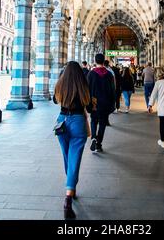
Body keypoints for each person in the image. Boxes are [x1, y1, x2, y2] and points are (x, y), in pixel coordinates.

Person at [53, 61, 90, 219]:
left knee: (67, 157)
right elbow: (87, 104)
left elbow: (55, 100)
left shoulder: (61, 83)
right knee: (74, 158)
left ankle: (71, 186)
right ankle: (68, 196)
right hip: (77, 121)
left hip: (61, 121)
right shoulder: (82, 84)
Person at [87, 53, 115, 153]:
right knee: (102, 123)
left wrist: (88, 103)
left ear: (95, 61)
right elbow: (112, 90)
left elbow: (87, 89)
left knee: (94, 120)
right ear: (104, 61)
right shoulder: (109, 74)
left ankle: (93, 137)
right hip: (105, 103)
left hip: (94, 103)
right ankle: (99, 144)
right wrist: (113, 103)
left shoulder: (91, 74)